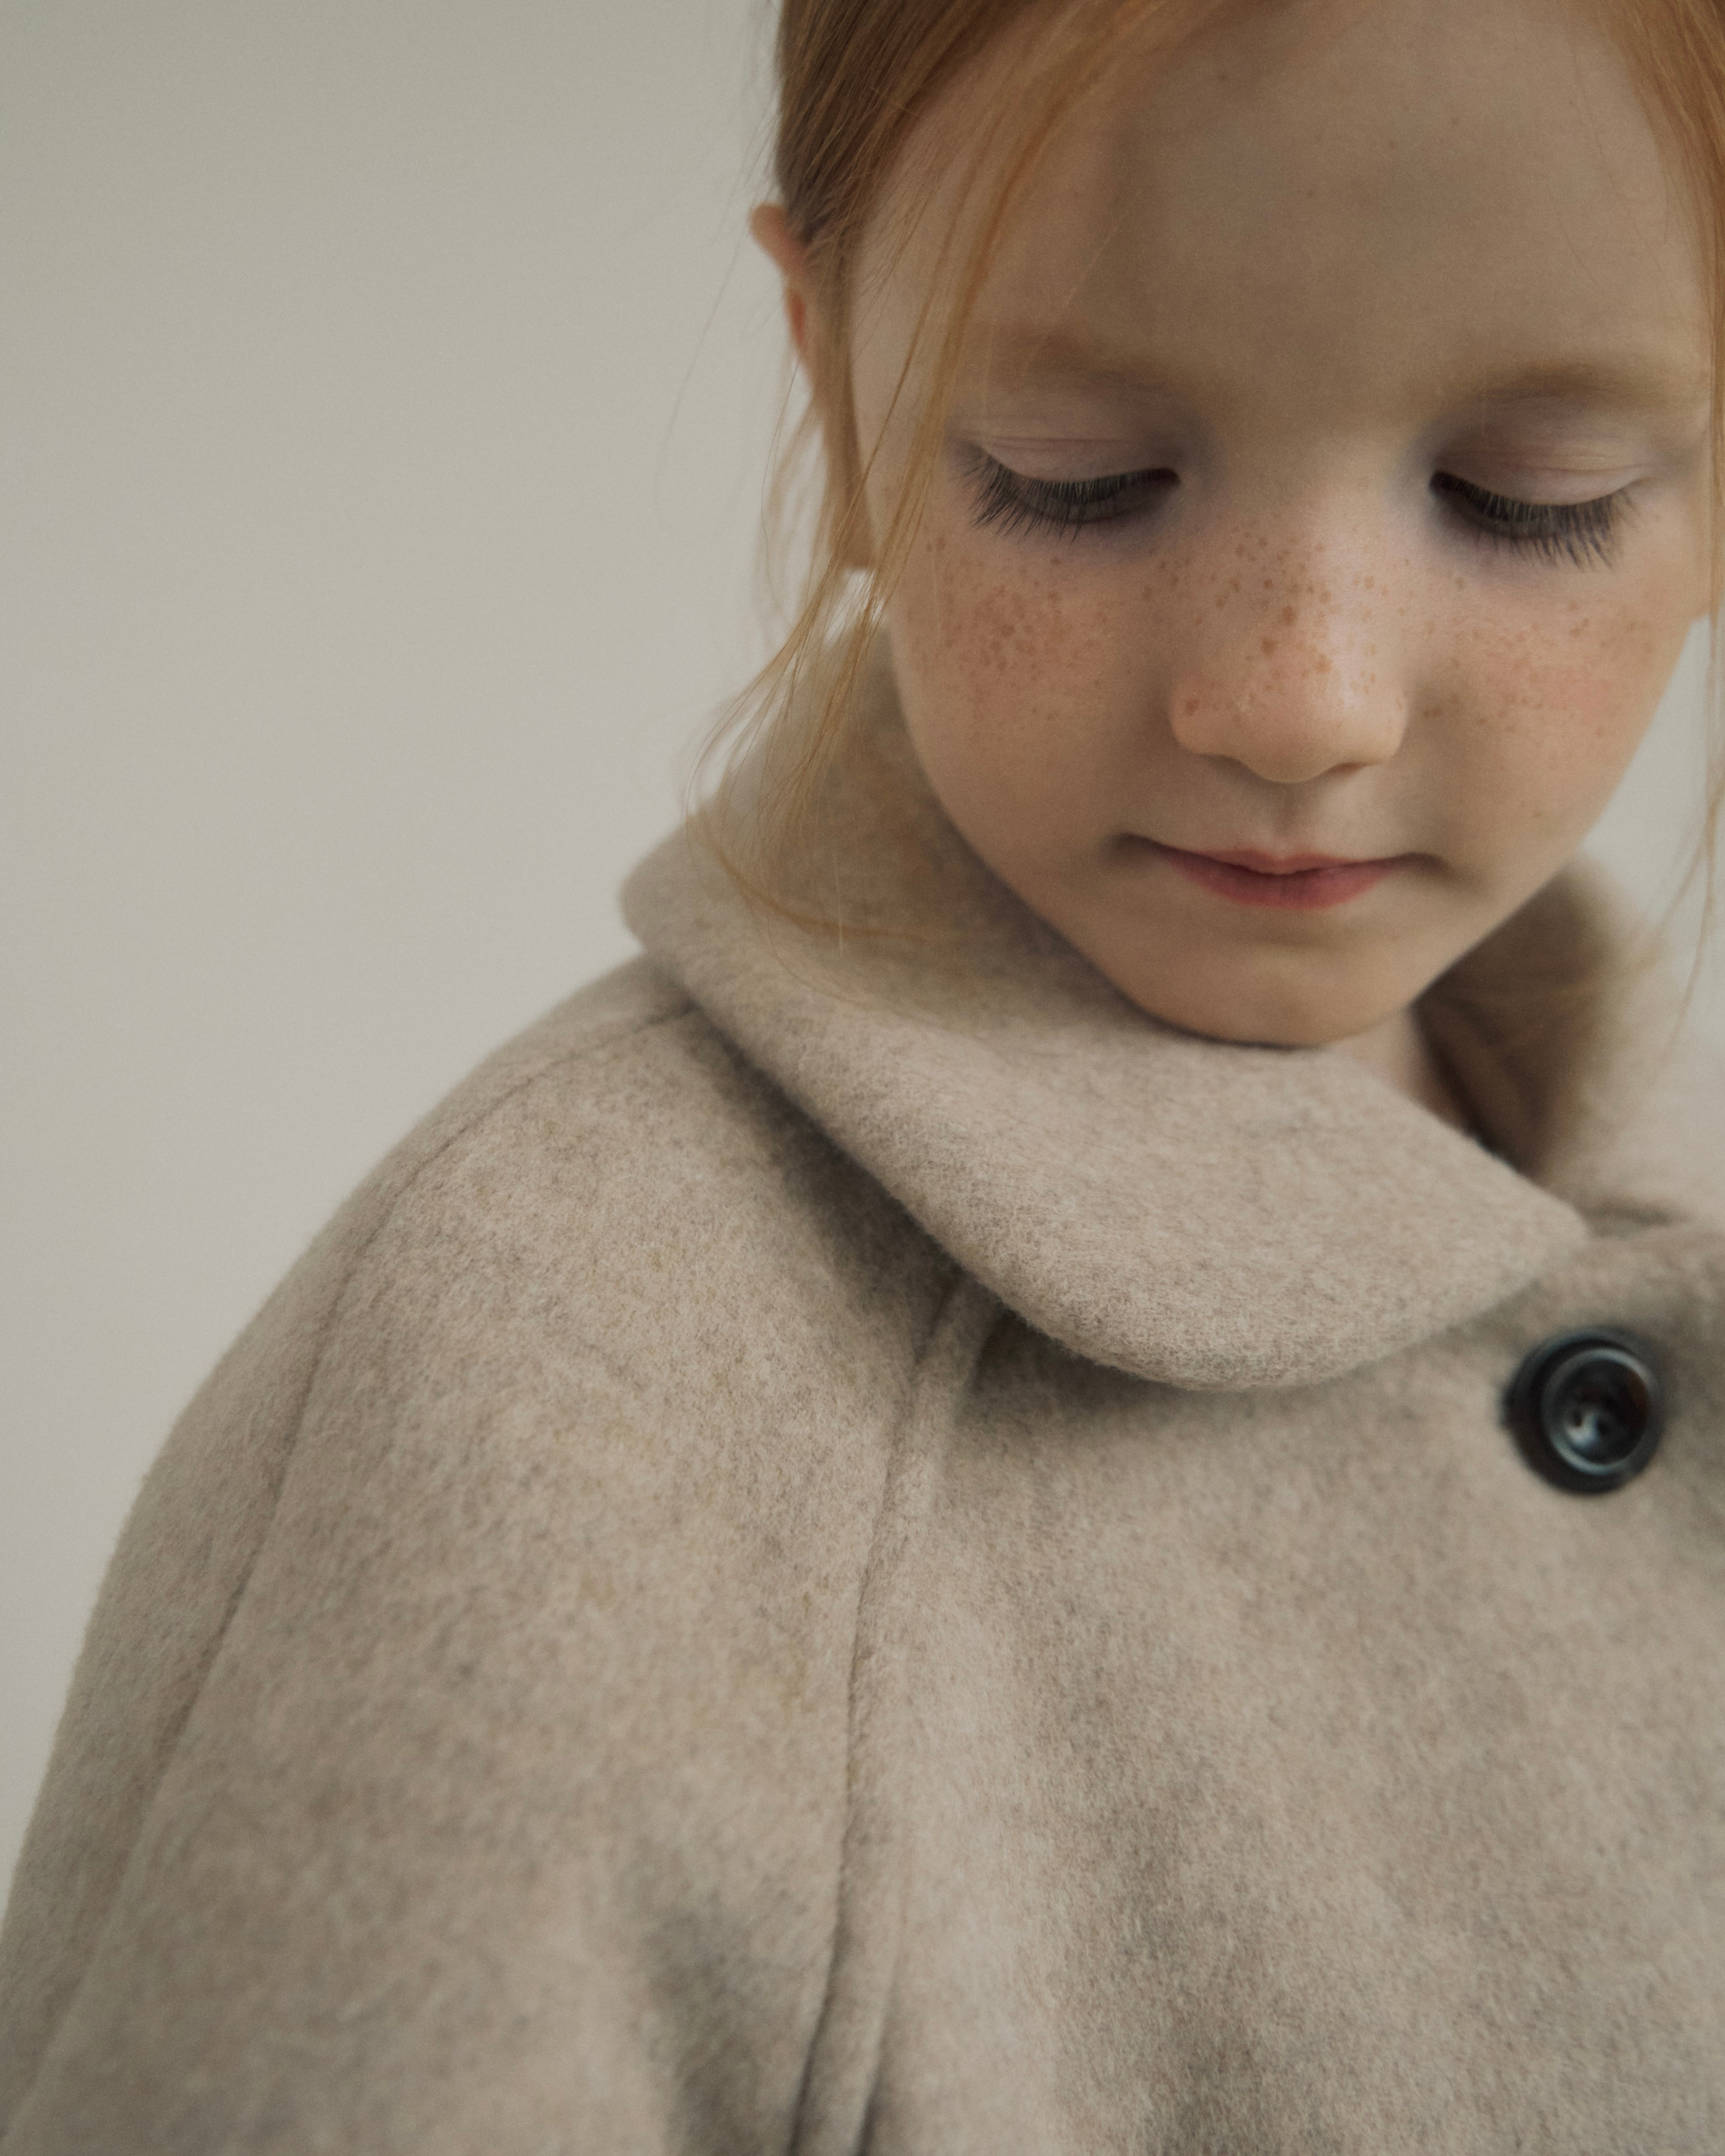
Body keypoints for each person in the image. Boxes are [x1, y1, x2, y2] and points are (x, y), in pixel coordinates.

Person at [2, 0, 1723, 2145]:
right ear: (833, 398)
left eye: (1528, 497)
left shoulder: (1650, 1168)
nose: (1301, 699)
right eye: (1074, 478)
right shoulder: (548, 1379)